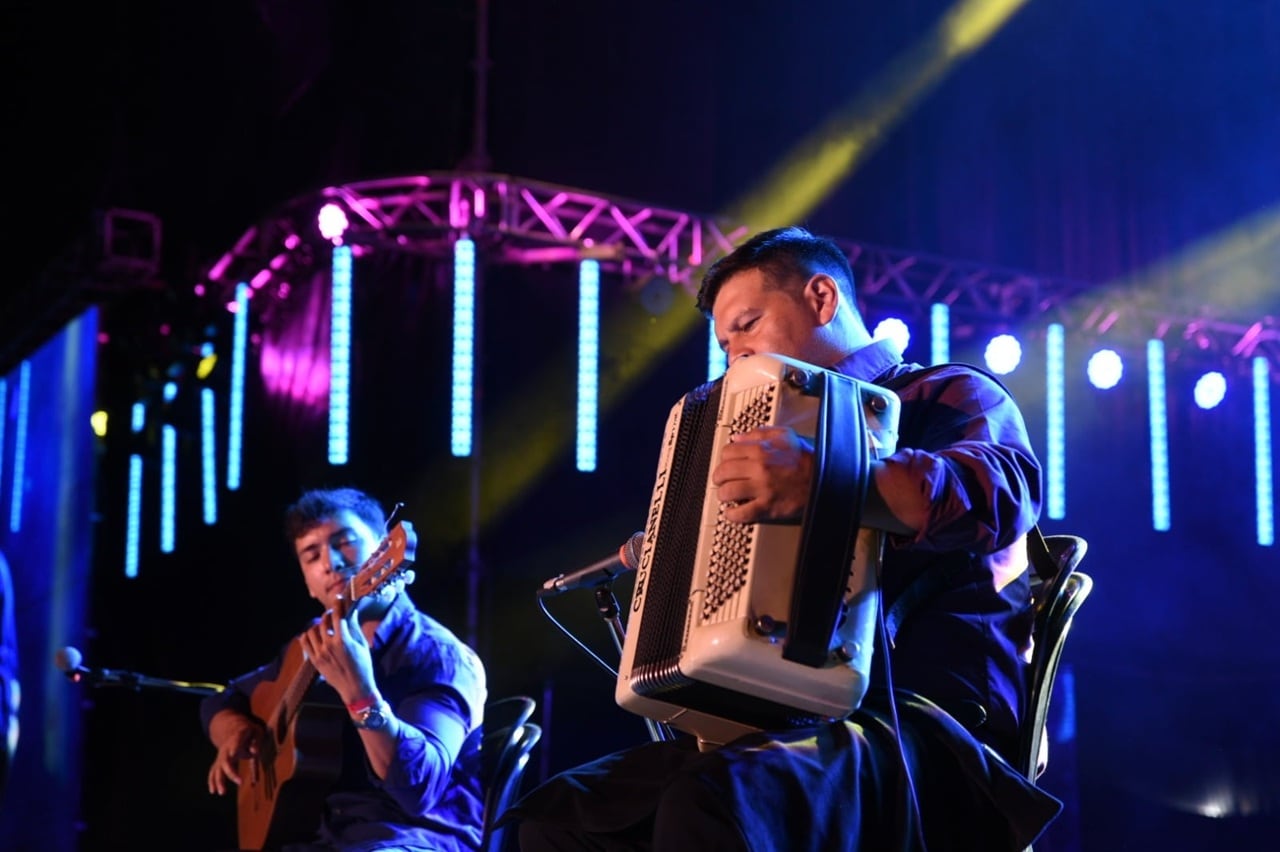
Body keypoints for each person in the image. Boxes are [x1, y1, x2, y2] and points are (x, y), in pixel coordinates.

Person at [507, 226, 1063, 850]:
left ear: (822, 299)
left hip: (925, 729)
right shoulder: (758, 432)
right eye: (723, 343)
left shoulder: (944, 392)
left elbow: (1005, 495)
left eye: (746, 325)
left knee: (716, 801)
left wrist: (830, 479)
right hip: (785, 724)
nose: (733, 356)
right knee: (558, 821)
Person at [201, 487, 488, 851]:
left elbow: (418, 791)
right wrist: (232, 729)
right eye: (311, 555)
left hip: (417, 837)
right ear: (307, 583)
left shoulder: (436, 655)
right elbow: (227, 698)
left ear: (383, 551)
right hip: (326, 836)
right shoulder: (310, 645)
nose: (330, 562)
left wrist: (359, 693)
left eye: (345, 541)